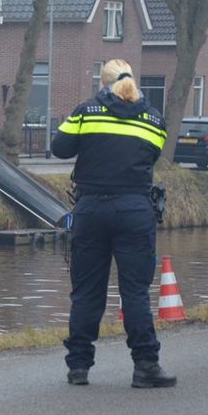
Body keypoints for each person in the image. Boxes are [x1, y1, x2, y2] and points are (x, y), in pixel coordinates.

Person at [52, 58, 175, 389]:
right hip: (134, 210)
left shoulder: (85, 112)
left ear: (102, 84)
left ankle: (78, 368)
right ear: (133, 82)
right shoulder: (154, 120)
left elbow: (58, 148)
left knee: (87, 292)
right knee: (134, 292)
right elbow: (151, 155)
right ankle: (146, 366)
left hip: (91, 209)